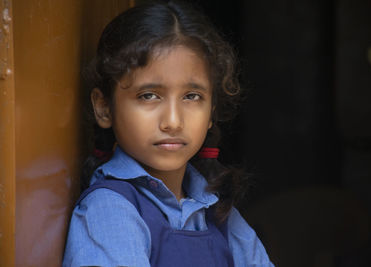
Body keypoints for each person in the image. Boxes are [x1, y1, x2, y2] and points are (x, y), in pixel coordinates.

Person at [62, 1, 274, 266]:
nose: (173, 122)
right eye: (148, 95)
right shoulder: (109, 210)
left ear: (212, 111)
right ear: (104, 108)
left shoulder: (216, 211)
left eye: (192, 96)